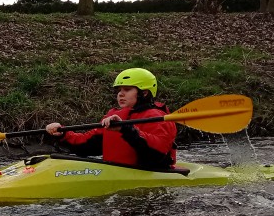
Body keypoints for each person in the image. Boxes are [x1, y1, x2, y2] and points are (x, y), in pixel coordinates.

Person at [44, 67, 177, 171]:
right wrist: (63, 134)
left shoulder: (157, 117)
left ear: (144, 93)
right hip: (117, 172)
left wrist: (126, 129)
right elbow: (87, 145)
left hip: (148, 172)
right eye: (119, 90)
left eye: (127, 89)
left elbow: (157, 153)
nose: (121, 94)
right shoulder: (114, 116)